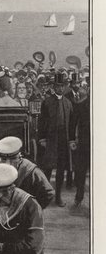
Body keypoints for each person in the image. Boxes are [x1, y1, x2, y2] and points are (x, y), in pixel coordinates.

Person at [38, 72, 75, 207]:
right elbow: (41, 122)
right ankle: (45, 196)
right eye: (57, 86)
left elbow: (71, 124)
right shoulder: (47, 102)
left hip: (63, 141)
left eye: (62, 86)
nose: (60, 88)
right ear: (53, 87)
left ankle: (58, 196)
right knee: (47, 169)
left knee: (61, 170)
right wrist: (42, 138)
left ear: (65, 87)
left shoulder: (68, 103)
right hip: (50, 140)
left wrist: (71, 140)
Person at [0, 136, 55, 209]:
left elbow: (49, 193)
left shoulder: (31, 170)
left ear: (19, 157)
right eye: (4, 159)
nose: (8, 163)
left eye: (12, 159)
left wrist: (33, 209)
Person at [70, 85, 90, 208]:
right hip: (83, 144)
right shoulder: (81, 105)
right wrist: (72, 140)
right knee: (81, 172)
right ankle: (79, 197)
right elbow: (73, 124)